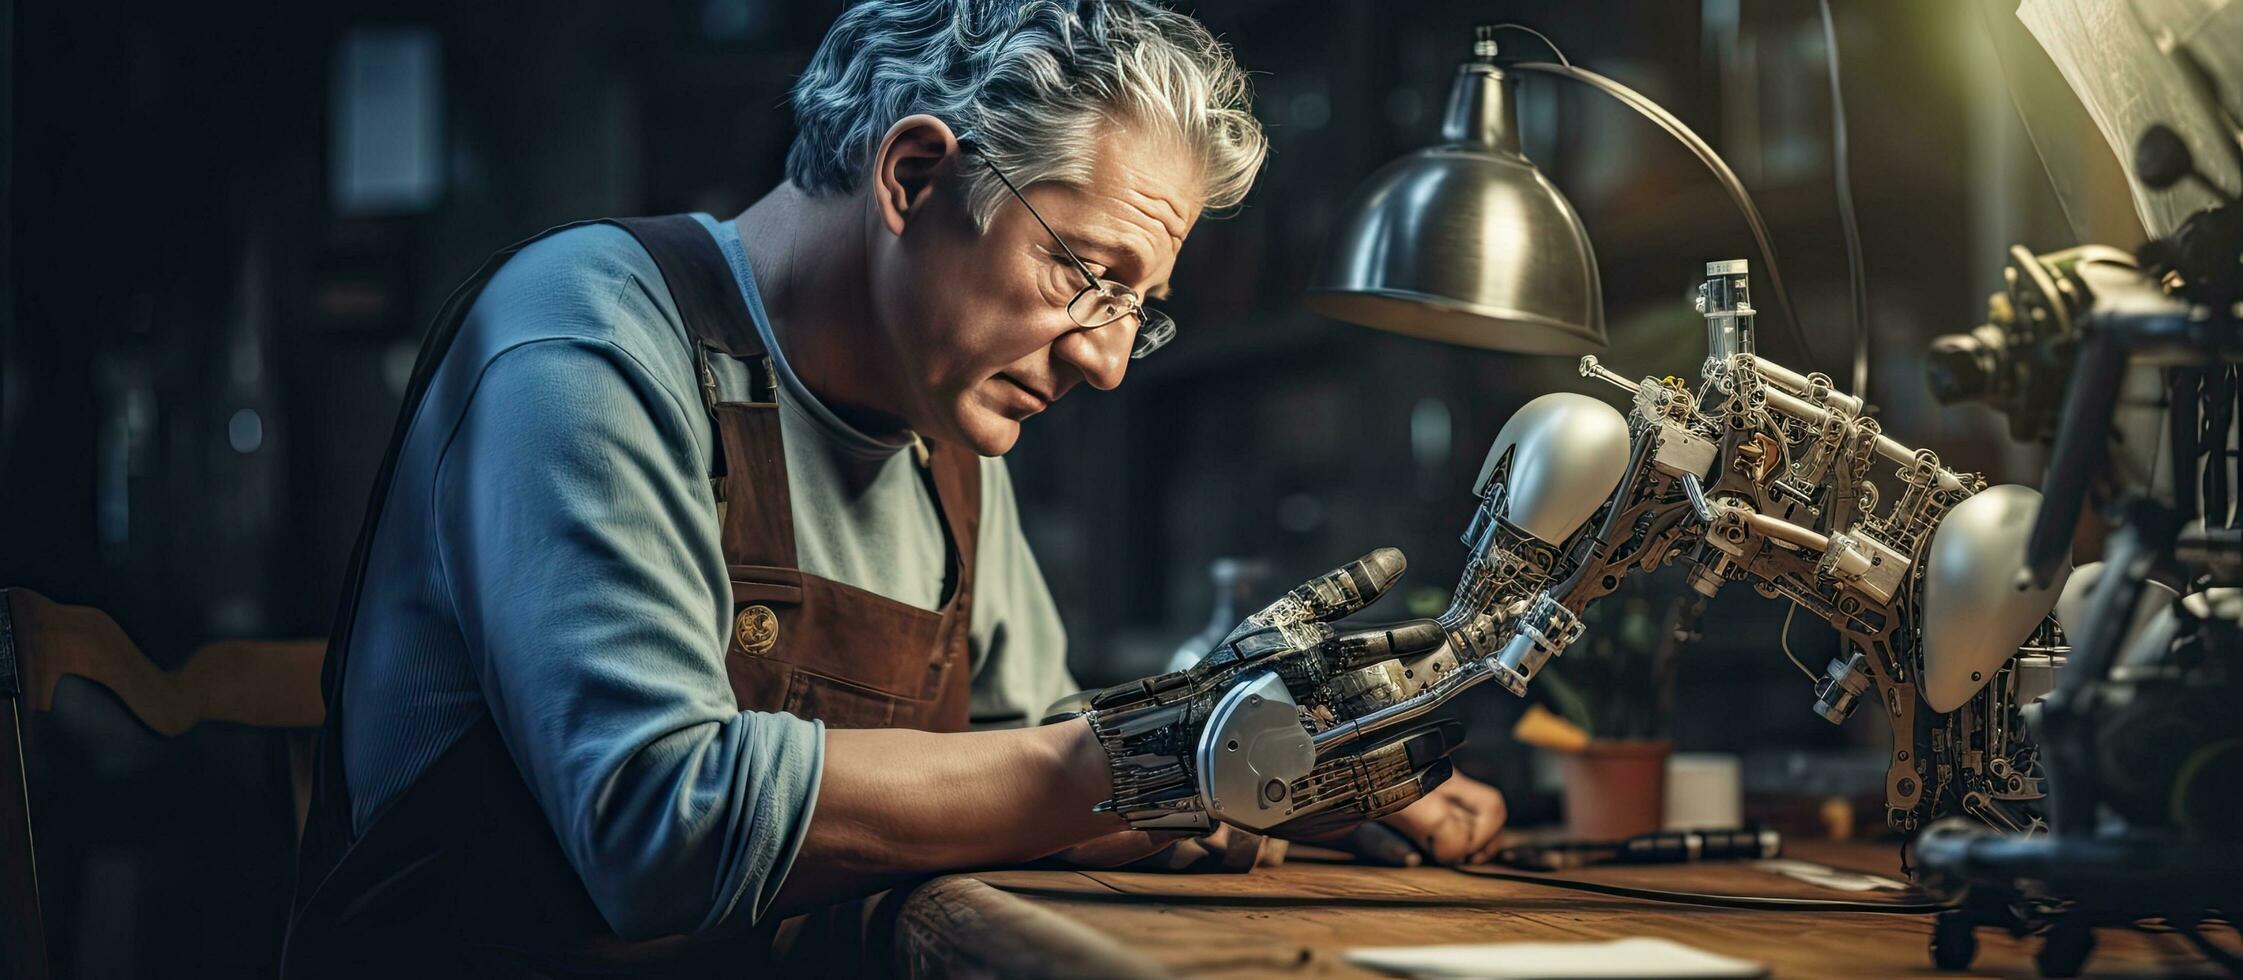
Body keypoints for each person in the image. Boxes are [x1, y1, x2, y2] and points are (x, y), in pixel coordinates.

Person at [284, 1, 1506, 974]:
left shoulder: (949, 440)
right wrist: (1155, 762)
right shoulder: (586, 331)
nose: (1108, 356)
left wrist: (1269, 776)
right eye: (1086, 271)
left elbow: (1033, 764)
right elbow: (652, 820)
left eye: (1142, 309)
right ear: (915, 178)